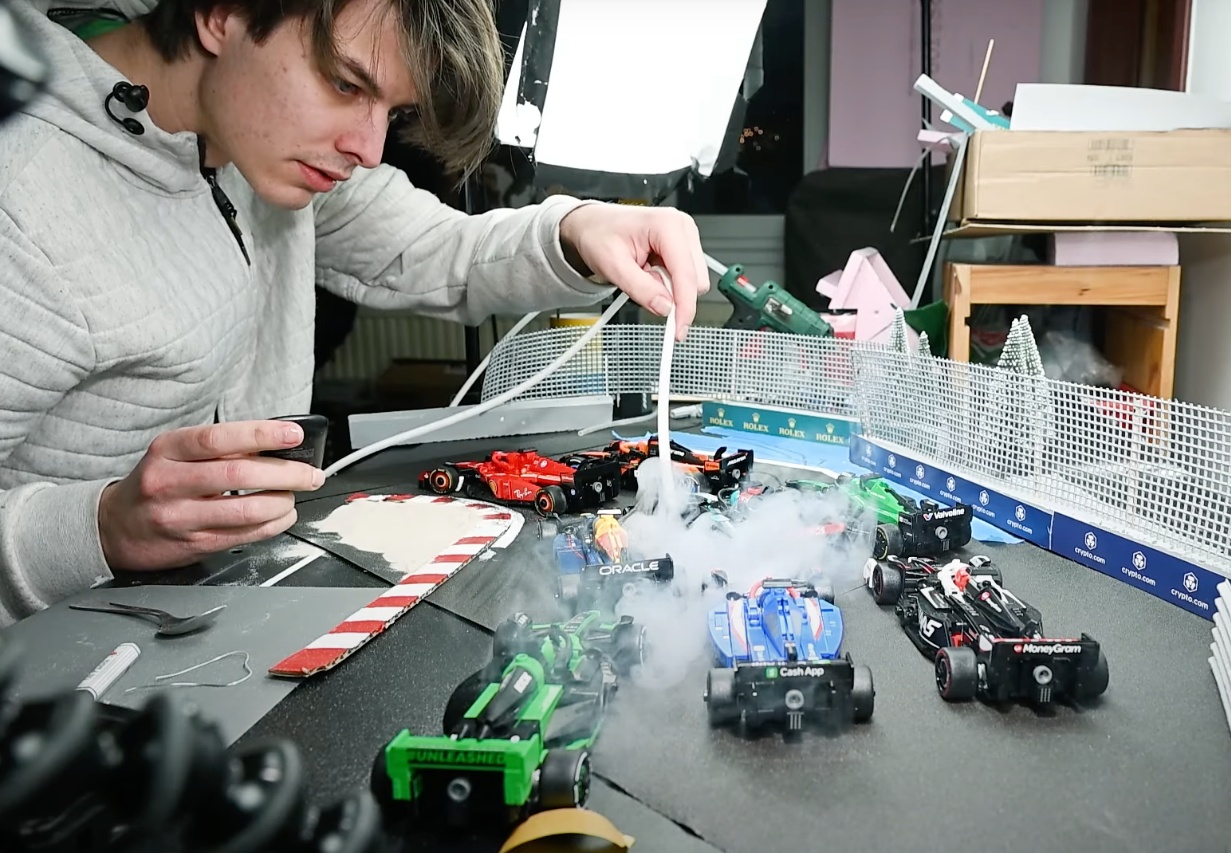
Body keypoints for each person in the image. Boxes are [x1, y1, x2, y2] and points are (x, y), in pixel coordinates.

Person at [0, 0, 710, 626]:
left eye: (391, 113)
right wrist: (101, 527)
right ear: (221, 13)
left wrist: (578, 228)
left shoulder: (248, 136)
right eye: (345, 84)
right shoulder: (21, 205)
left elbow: (433, 249)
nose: (368, 150)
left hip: (227, 613)